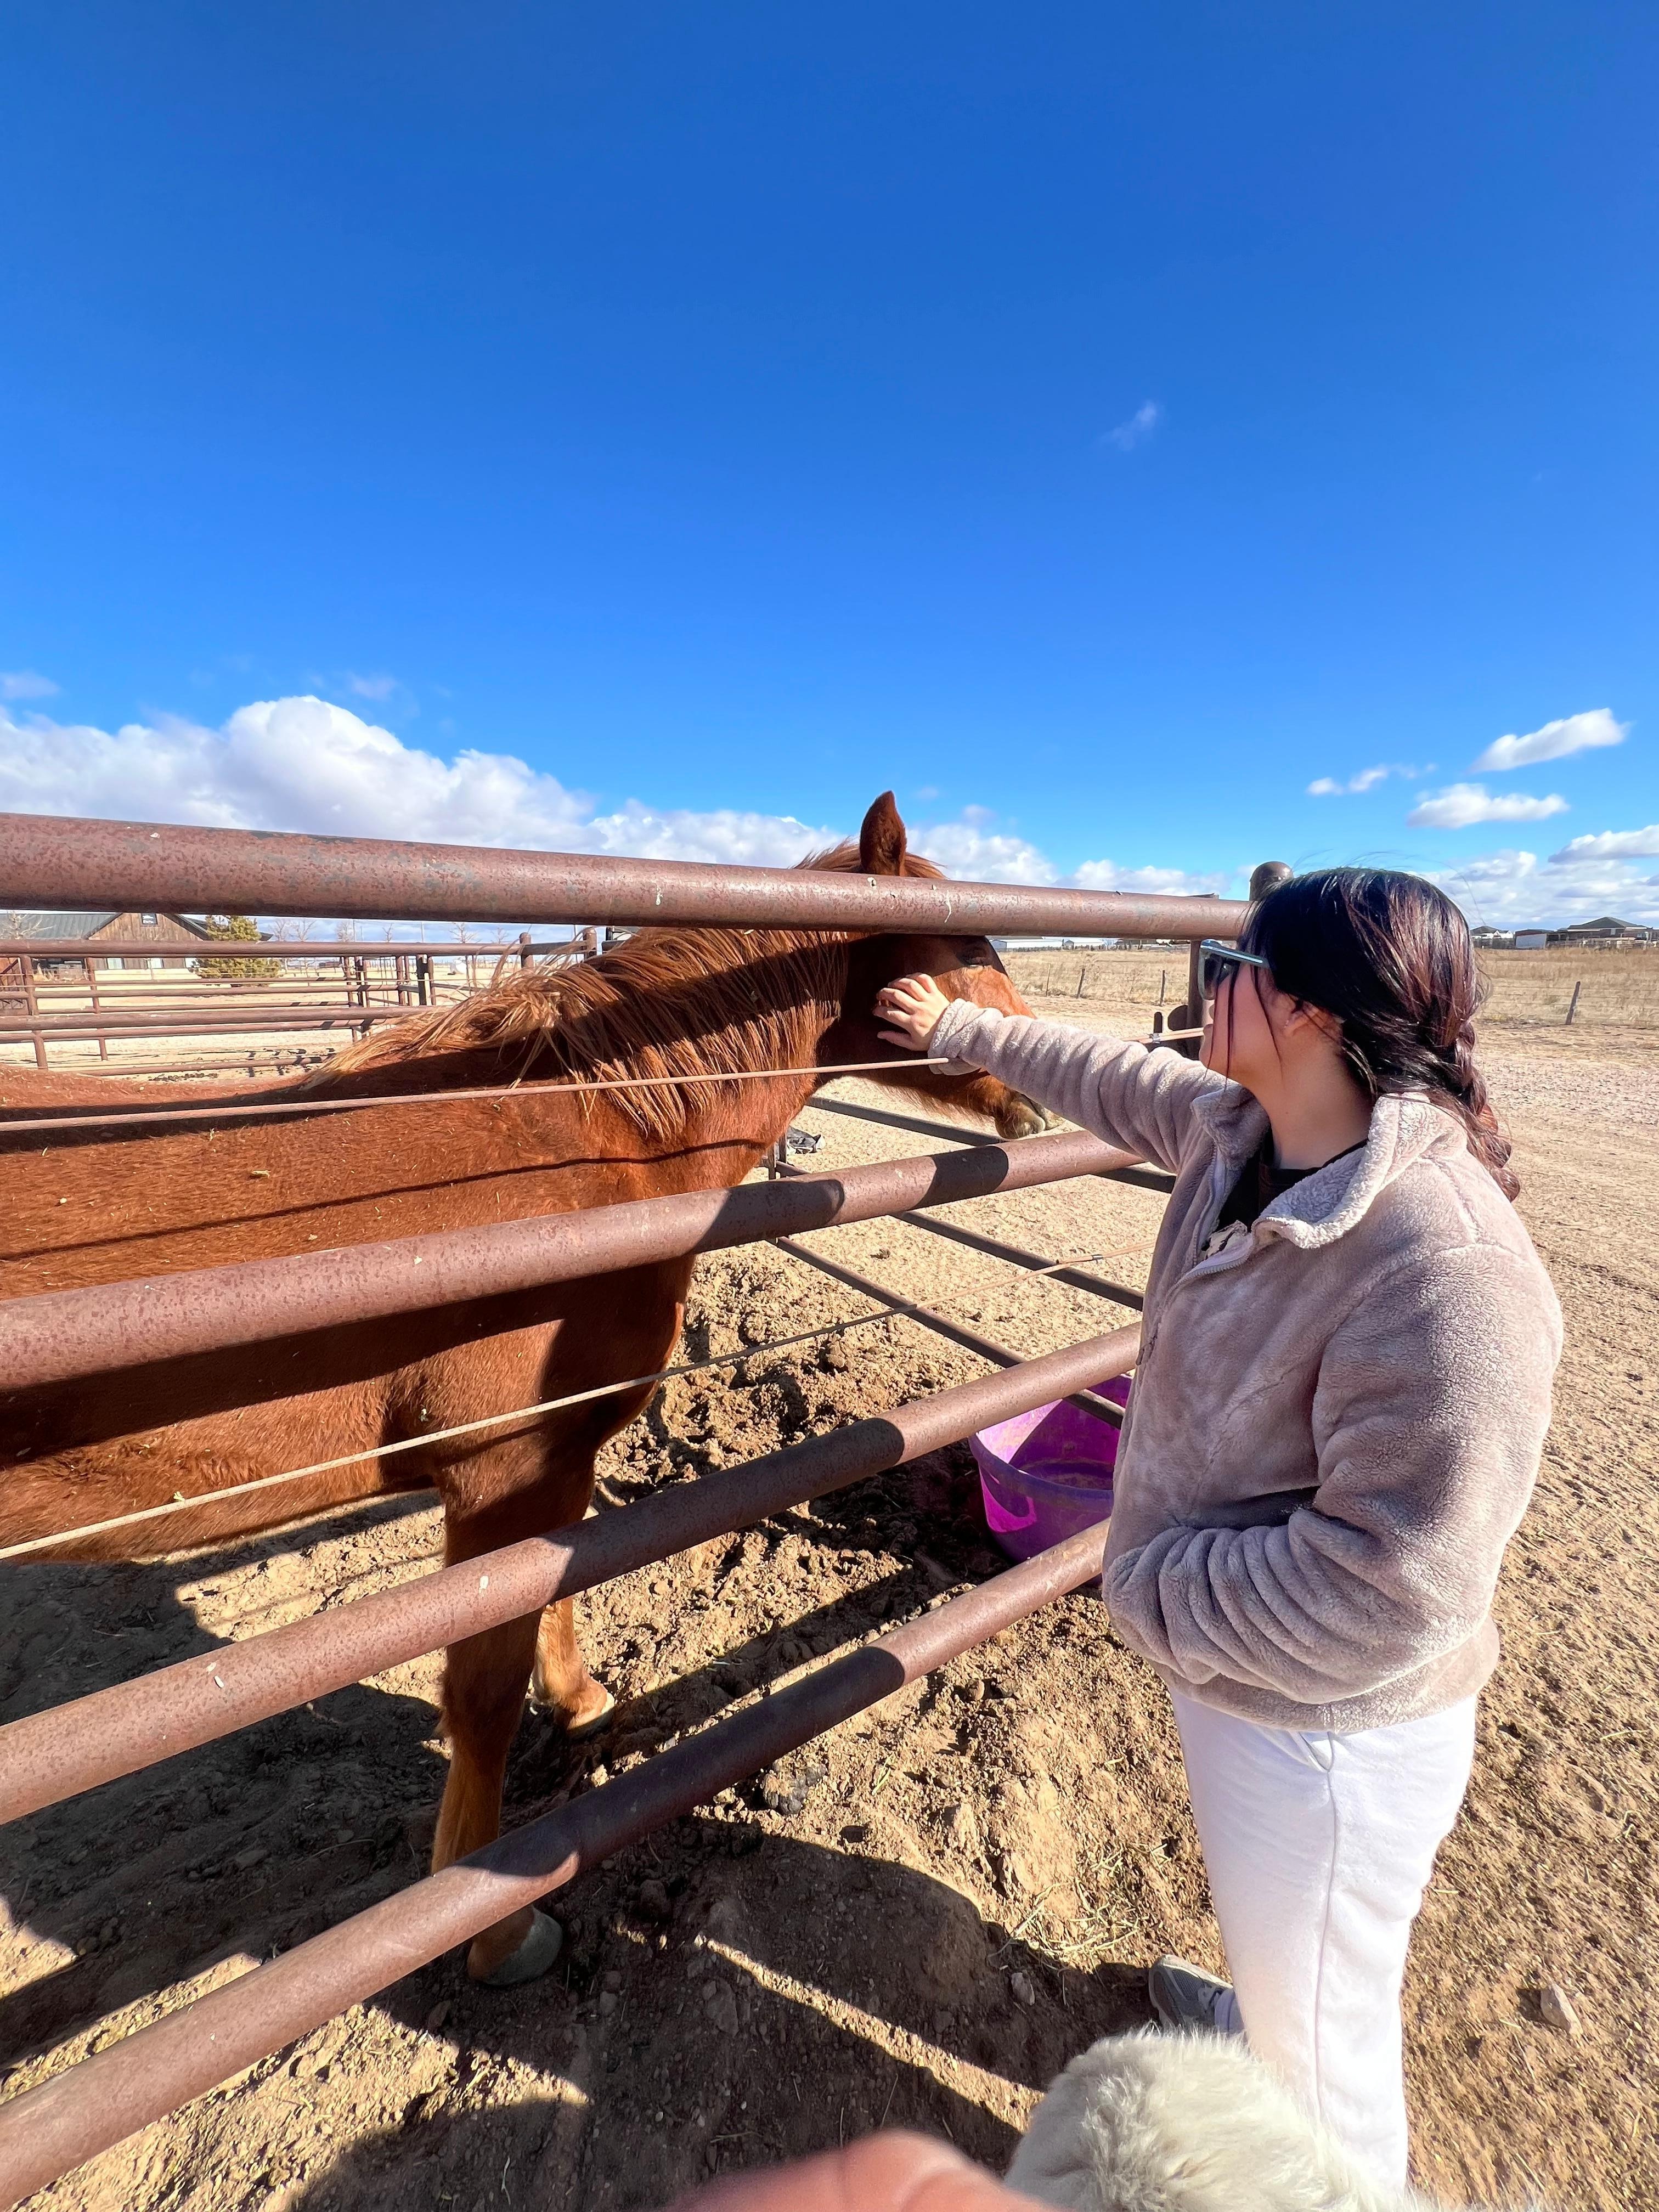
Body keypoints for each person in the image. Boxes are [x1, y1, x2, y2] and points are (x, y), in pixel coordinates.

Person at [874, 867, 1561, 2192]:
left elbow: (1392, 1591)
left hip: (1329, 1732)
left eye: (1232, 964)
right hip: (1252, 1681)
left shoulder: (1446, 1271)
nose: (1205, 986)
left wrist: (1151, 1587)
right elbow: (1106, 1076)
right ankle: (1266, 2007)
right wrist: (963, 1027)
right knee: (1294, 1960)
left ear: (1308, 1011)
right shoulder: (1247, 1134)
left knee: (1329, 2071)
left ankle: (1323, 2133)